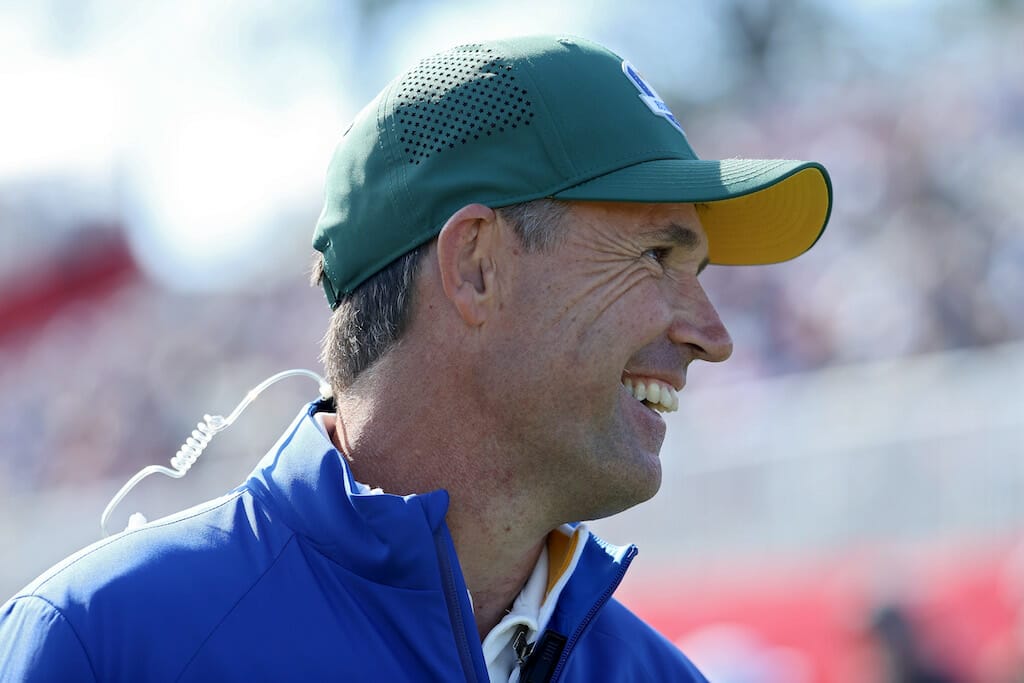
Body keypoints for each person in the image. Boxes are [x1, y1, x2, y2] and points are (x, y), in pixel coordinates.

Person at [0, 34, 832, 682]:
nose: (712, 335)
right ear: (475, 265)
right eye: (656, 256)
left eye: (699, 273)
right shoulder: (108, 642)